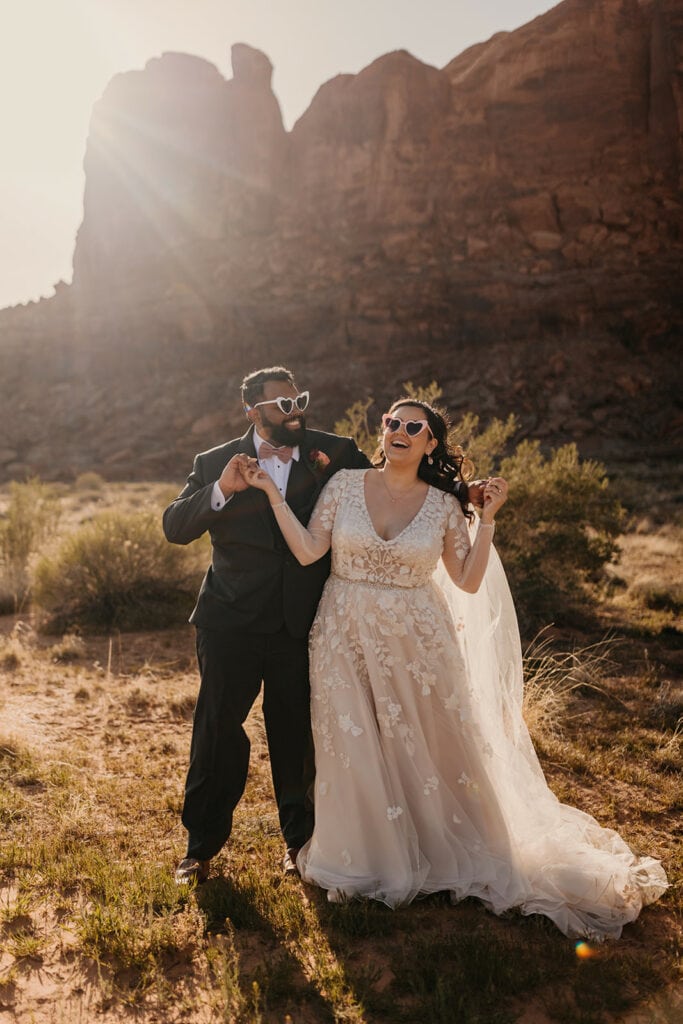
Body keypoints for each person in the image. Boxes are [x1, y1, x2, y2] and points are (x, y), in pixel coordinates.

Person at [241, 396, 668, 939]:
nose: (398, 430)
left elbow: (466, 580)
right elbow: (306, 552)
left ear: (430, 443)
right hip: (341, 631)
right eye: (392, 422)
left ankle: (440, 846)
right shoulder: (345, 485)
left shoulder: (443, 505)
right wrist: (271, 495)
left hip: (419, 640)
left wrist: (485, 520)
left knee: (426, 743)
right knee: (352, 743)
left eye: (412, 426)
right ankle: (369, 857)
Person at [163, 367, 481, 885]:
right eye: (283, 405)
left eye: (300, 400)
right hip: (231, 622)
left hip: (304, 622)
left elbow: (398, 480)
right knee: (217, 730)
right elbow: (175, 527)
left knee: (298, 736)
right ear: (254, 412)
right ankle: (200, 848)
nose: (296, 412)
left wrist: (466, 492)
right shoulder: (214, 462)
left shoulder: (334, 452)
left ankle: (300, 842)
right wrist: (221, 488)